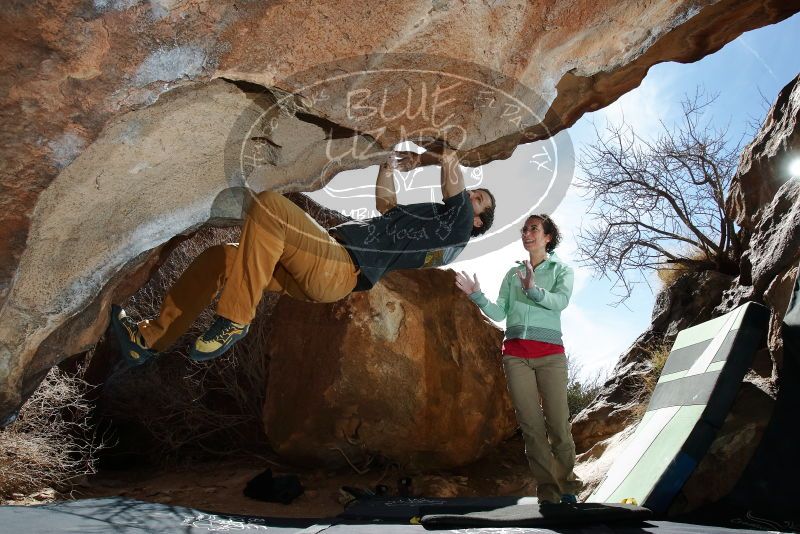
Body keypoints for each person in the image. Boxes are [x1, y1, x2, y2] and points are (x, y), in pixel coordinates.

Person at [112, 146, 496, 364]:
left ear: (478, 223)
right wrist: (387, 165)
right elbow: (386, 204)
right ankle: (149, 339)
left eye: (478, 200)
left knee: (270, 206)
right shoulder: (425, 226)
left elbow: (450, 161)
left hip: (338, 266)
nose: (471, 196)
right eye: (474, 194)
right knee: (220, 259)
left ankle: (234, 319)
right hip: (313, 271)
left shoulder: (458, 229)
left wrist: (432, 157)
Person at [454, 214, 581, 504]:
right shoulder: (513, 274)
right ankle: (548, 491)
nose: (526, 233)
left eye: (533, 229)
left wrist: (533, 290)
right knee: (531, 427)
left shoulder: (562, 270)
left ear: (548, 236)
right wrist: (477, 296)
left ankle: (568, 486)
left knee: (558, 423)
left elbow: (560, 301)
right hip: (515, 355)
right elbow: (500, 313)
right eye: (523, 229)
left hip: (550, 355)